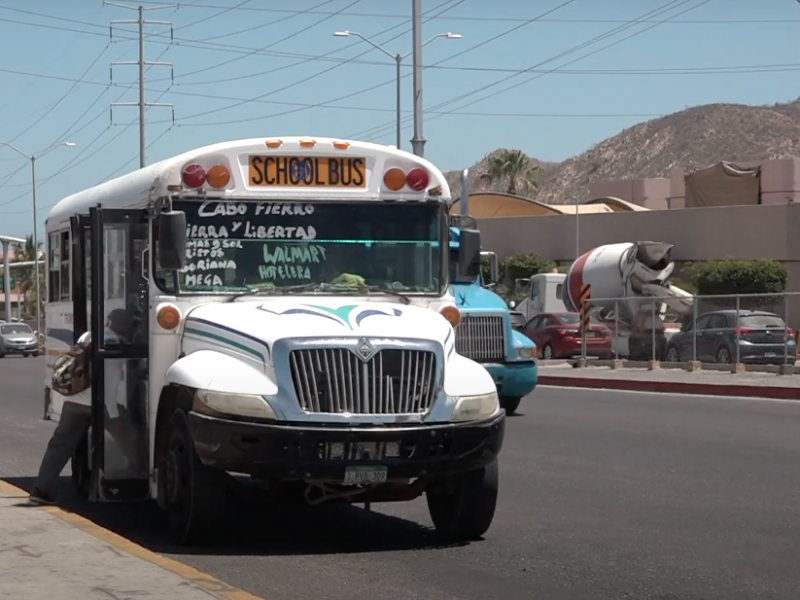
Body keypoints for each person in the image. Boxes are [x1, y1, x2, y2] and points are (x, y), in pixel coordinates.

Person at [29, 308, 136, 505]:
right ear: (124, 325)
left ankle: (40, 489)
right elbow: (120, 374)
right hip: (104, 404)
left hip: (75, 401)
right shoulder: (118, 342)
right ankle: (138, 481)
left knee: (59, 446)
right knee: (132, 441)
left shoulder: (88, 336)